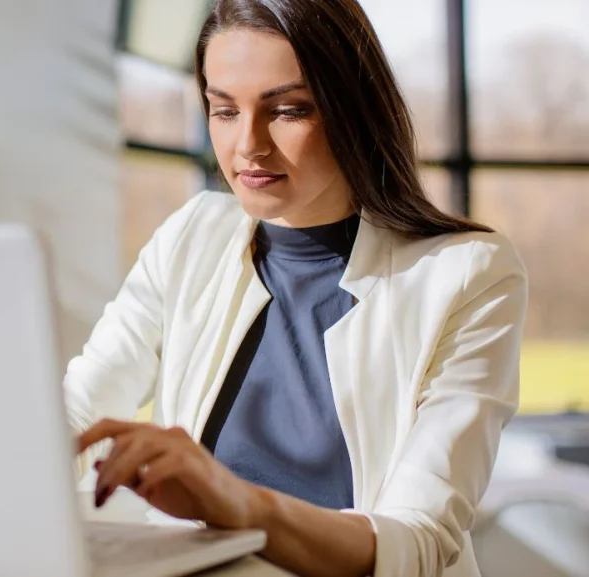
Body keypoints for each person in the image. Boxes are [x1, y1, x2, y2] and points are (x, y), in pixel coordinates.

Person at [66, 1, 527, 577]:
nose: (247, 146)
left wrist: (235, 501)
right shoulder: (191, 236)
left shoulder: (468, 273)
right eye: (224, 110)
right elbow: (79, 408)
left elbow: (420, 542)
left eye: (287, 110)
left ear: (352, 109)